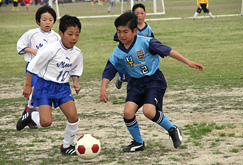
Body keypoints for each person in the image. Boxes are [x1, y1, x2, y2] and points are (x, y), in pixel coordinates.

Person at [100, 11, 204, 152]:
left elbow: (168, 51)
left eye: (125, 31)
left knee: (149, 111)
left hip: (154, 80)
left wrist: (188, 62)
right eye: (118, 32)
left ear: (135, 31)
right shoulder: (118, 52)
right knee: (128, 112)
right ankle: (138, 142)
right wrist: (103, 88)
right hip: (135, 83)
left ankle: (173, 130)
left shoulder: (146, 42)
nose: (121, 35)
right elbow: (110, 69)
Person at [16, 14, 83, 156]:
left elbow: (75, 69)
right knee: (46, 122)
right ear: (61, 33)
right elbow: (32, 66)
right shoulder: (50, 49)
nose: (73, 38)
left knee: (73, 118)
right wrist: (28, 85)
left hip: (63, 88)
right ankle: (30, 115)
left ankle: (66, 146)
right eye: (70, 34)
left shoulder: (77, 53)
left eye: (77, 35)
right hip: (44, 87)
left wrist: (75, 82)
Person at [17, 4, 60, 129]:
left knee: (42, 94)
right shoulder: (31, 34)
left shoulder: (56, 37)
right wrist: (32, 50)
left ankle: (29, 113)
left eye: (50, 20)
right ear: (38, 21)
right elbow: (20, 46)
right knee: (36, 89)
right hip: (33, 68)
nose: (47, 22)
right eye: (44, 19)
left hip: (48, 71)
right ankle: (30, 111)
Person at [115, 3, 154, 89]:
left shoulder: (148, 29)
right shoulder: (128, 27)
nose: (139, 16)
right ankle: (121, 78)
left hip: (141, 55)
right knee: (128, 69)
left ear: (145, 14)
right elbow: (118, 38)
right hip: (129, 54)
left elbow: (152, 42)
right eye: (137, 14)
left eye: (142, 13)